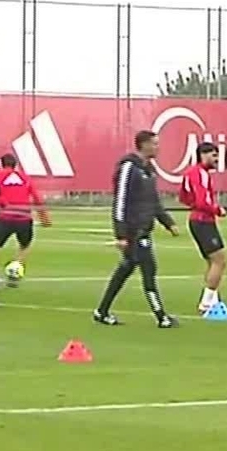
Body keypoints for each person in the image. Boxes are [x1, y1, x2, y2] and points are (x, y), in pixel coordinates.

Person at [93, 130, 178, 328]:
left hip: (144, 228)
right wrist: (121, 234)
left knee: (126, 269)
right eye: (155, 144)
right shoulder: (128, 167)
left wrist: (167, 222)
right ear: (144, 145)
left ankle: (102, 311)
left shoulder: (148, 169)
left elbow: (153, 201)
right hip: (133, 231)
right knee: (149, 268)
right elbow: (120, 201)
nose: (158, 148)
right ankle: (161, 316)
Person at [178, 141, 227, 313]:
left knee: (212, 261)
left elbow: (183, 197)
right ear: (203, 155)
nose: (216, 160)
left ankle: (213, 299)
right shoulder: (200, 174)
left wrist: (194, 205)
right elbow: (201, 200)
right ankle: (206, 302)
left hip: (196, 219)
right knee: (220, 260)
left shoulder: (190, 173)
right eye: (214, 156)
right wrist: (216, 209)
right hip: (203, 220)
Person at [0, 153, 47, 284]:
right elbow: (37, 198)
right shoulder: (25, 178)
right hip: (24, 217)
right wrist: (44, 216)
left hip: (6, 216)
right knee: (24, 245)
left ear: (2, 164)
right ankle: (17, 266)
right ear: (15, 164)